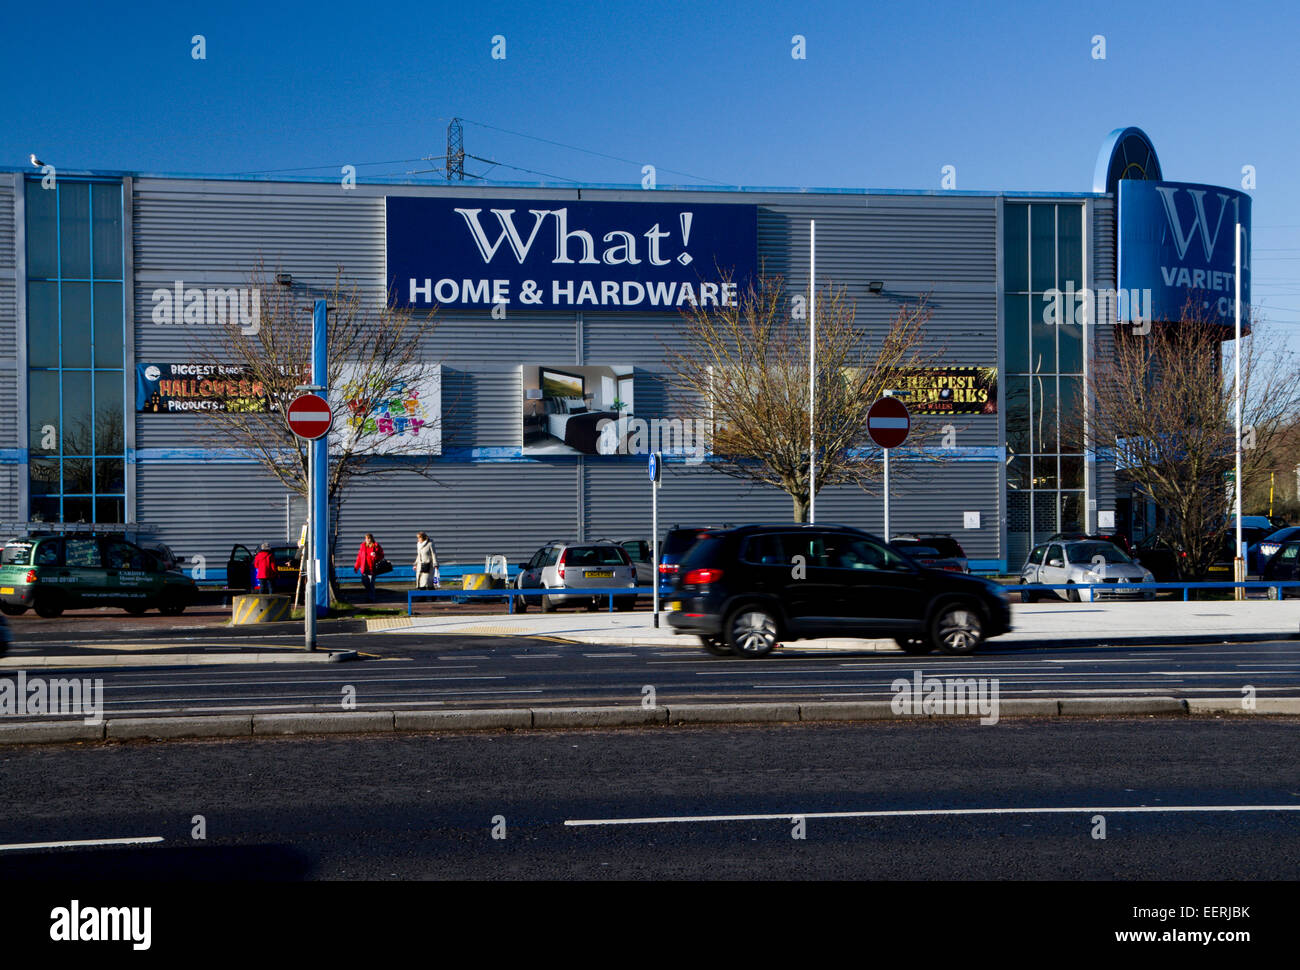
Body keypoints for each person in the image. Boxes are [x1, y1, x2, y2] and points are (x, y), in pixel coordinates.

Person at [354, 533, 384, 603]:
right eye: (366, 538)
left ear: (371, 539)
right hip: (364, 568)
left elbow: (382, 555)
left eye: (368, 538)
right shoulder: (363, 546)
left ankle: (371, 598)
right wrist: (356, 567)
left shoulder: (376, 546)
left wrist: (375, 555)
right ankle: (370, 595)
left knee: (371, 583)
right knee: (364, 582)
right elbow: (359, 557)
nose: (367, 540)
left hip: (372, 569)